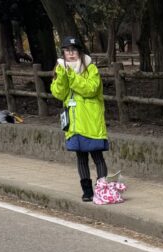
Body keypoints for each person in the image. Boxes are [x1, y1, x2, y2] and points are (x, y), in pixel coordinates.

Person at [50, 36, 109, 202]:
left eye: (74, 50)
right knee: (81, 157)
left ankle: (102, 189)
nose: (71, 53)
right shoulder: (60, 69)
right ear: (63, 52)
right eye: (67, 50)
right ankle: (87, 191)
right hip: (74, 123)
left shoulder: (91, 68)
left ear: (80, 52)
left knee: (97, 156)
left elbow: (91, 89)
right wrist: (62, 75)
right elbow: (58, 93)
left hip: (91, 121)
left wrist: (72, 76)